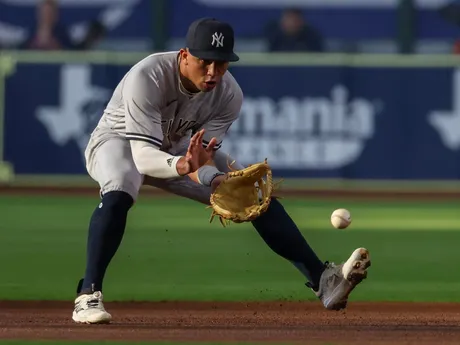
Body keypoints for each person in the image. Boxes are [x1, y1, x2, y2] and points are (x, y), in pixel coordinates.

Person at [72, 17, 371, 324]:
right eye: (205, 61)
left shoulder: (229, 94)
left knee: (253, 197)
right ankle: (88, 294)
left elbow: (202, 154)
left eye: (222, 63)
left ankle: (324, 280)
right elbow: (143, 158)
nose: (213, 72)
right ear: (184, 55)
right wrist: (188, 165)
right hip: (119, 142)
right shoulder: (148, 76)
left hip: (178, 146)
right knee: (121, 188)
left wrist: (216, 177)